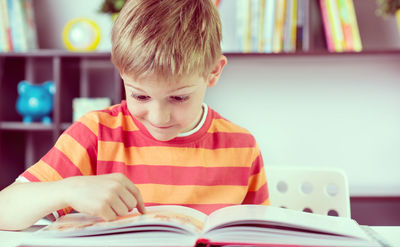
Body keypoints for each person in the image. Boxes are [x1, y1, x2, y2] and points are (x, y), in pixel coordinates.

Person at [0, 0, 269, 231]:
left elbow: (262, 236)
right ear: (121, 73)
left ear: (214, 72)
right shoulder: (95, 134)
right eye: (141, 96)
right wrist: (68, 190)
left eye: (179, 97)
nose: (159, 117)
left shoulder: (241, 146)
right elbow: (4, 210)